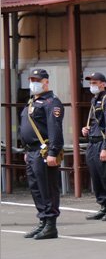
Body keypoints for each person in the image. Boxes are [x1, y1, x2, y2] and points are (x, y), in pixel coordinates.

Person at [19, 68, 64, 240]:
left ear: (46, 82)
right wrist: (26, 150)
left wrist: (53, 151)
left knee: (47, 187)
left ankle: (50, 225)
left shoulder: (51, 102)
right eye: (32, 80)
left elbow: (54, 129)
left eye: (37, 80)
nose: (33, 83)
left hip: (43, 151)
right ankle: (42, 221)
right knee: (36, 188)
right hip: (31, 151)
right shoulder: (32, 102)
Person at [82, 72, 106, 222]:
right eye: (90, 82)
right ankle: (102, 206)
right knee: (96, 177)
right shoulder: (94, 99)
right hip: (92, 142)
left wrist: (105, 147)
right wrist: (87, 129)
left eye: (95, 82)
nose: (92, 85)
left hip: (101, 144)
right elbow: (96, 121)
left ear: (103, 83)